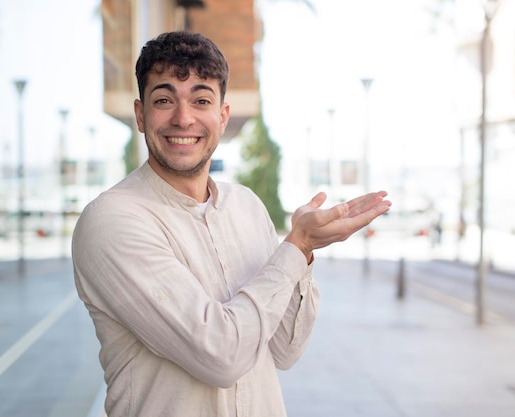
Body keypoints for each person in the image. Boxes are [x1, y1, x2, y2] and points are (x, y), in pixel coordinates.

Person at [72, 31, 391, 417]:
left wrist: (303, 255)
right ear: (141, 115)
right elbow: (220, 356)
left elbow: (285, 349)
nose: (183, 117)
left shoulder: (246, 206)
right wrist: (295, 248)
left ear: (222, 117)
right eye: (164, 100)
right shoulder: (112, 220)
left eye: (201, 100)